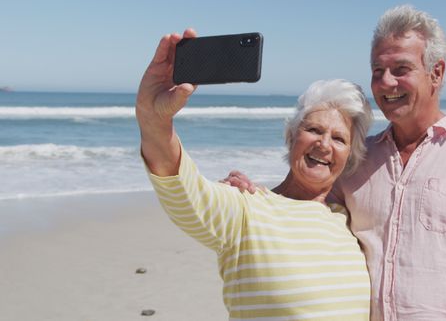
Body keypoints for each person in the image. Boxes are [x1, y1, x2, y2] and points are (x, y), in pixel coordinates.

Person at [228, 5, 446, 320]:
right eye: (378, 72)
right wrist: (255, 196)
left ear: (436, 73)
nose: (385, 83)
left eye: (401, 69)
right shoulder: (358, 159)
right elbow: (306, 204)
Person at [136, 29, 374, 320]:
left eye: (339, 139)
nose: (324, 144)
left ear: (350, 155)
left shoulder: (349, 221)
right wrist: (154, 119)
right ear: (291, 136)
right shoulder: (248, 207)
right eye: (313, 130)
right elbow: (185, 192)